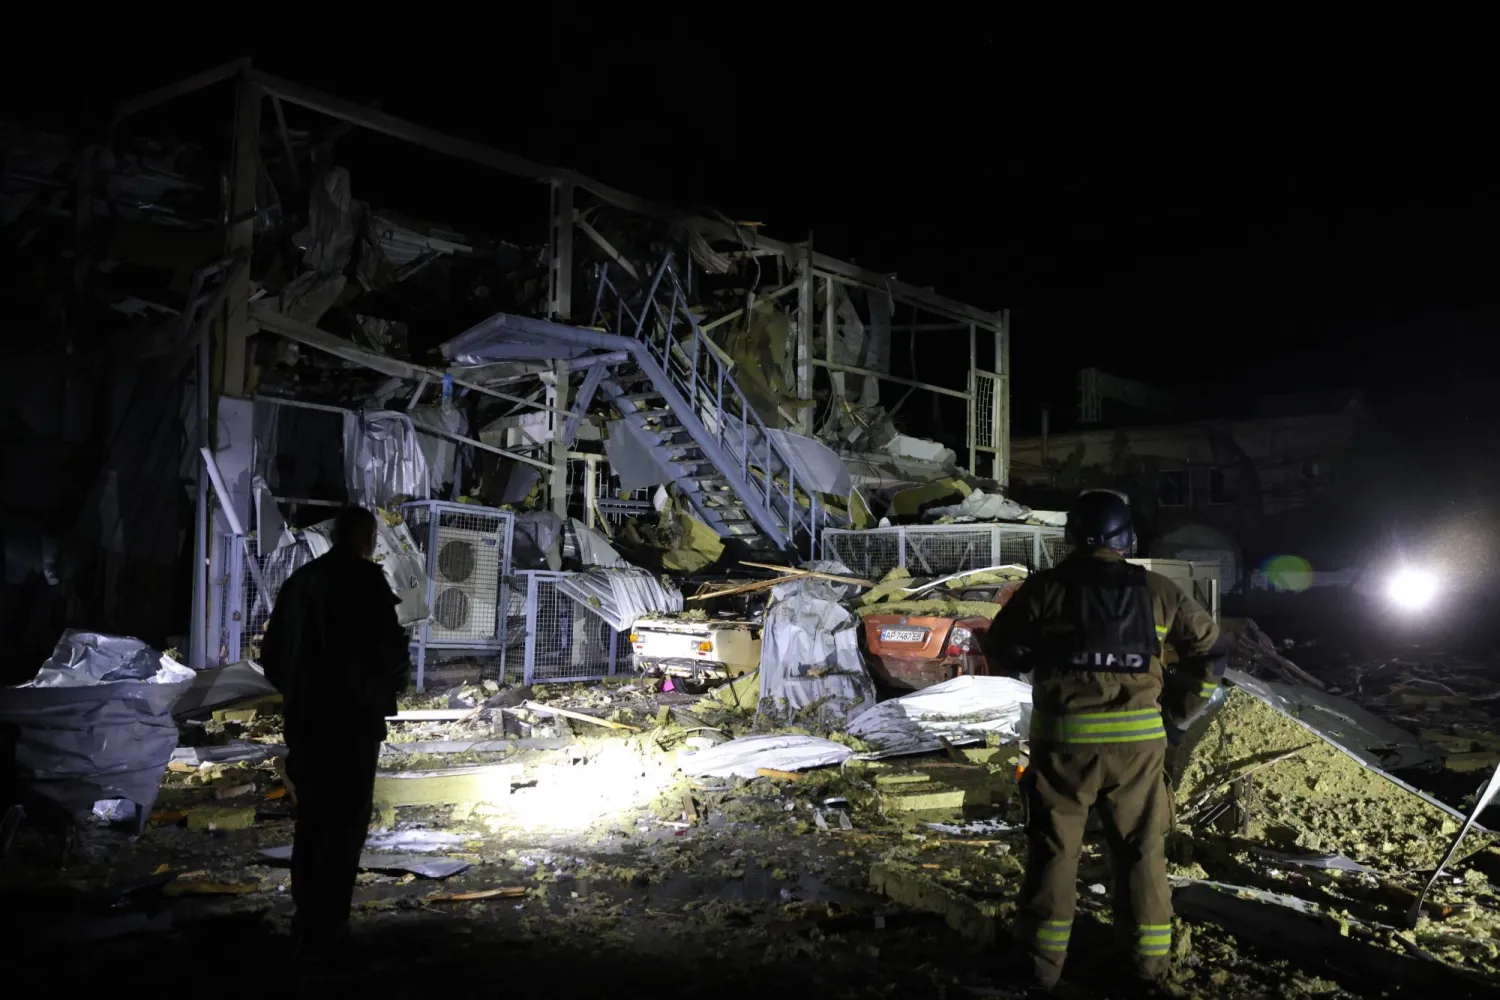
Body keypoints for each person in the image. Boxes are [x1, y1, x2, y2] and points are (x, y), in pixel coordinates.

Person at [984, 490, 1221, 996]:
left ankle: (1040, 967)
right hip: (1138, 751)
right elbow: (1210, 652)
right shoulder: (1158, 590)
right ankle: (1145, 969)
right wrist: (1179, 714)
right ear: (1126, 540)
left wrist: (1039, 656)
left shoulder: (1044, 589)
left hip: (1063, 748)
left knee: (1054, 852)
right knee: (1141, 851)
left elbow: (1002, 647)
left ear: (1071, 537)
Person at [260, 505, 411, 962]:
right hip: (355, 722)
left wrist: (299, 693)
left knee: (312, 818)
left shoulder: (301, 583)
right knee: (347, 823)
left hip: (309, 721)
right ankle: (333, 923)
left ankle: (307, 919)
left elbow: (274, 656)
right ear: (367, 539)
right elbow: (391, 654)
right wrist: (384, 687)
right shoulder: (368, 583)